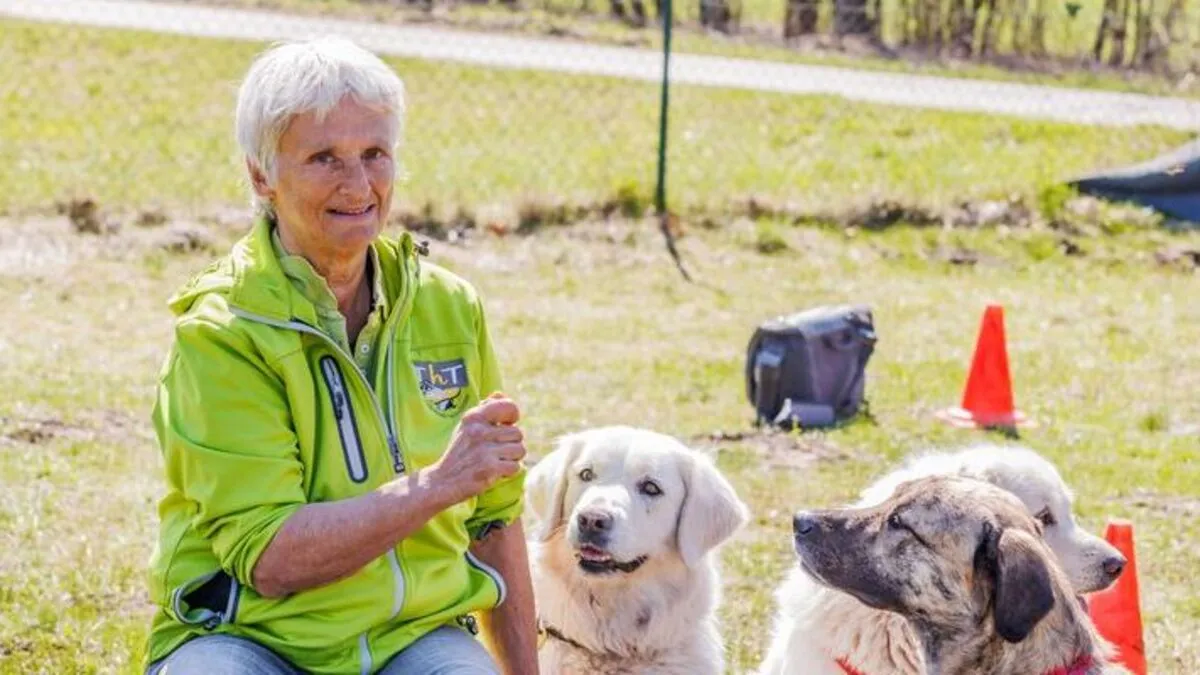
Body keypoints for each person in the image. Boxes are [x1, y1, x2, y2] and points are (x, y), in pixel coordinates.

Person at [142, 36, 538, 675]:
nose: (358, 185)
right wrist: (436, 485)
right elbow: (272, 559)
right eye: (324, 157)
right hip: (248, 639)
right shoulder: (221, 331)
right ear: (260, 174)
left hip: (412, 637)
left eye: (374, 153)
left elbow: (495, 516)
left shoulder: (449, 306)